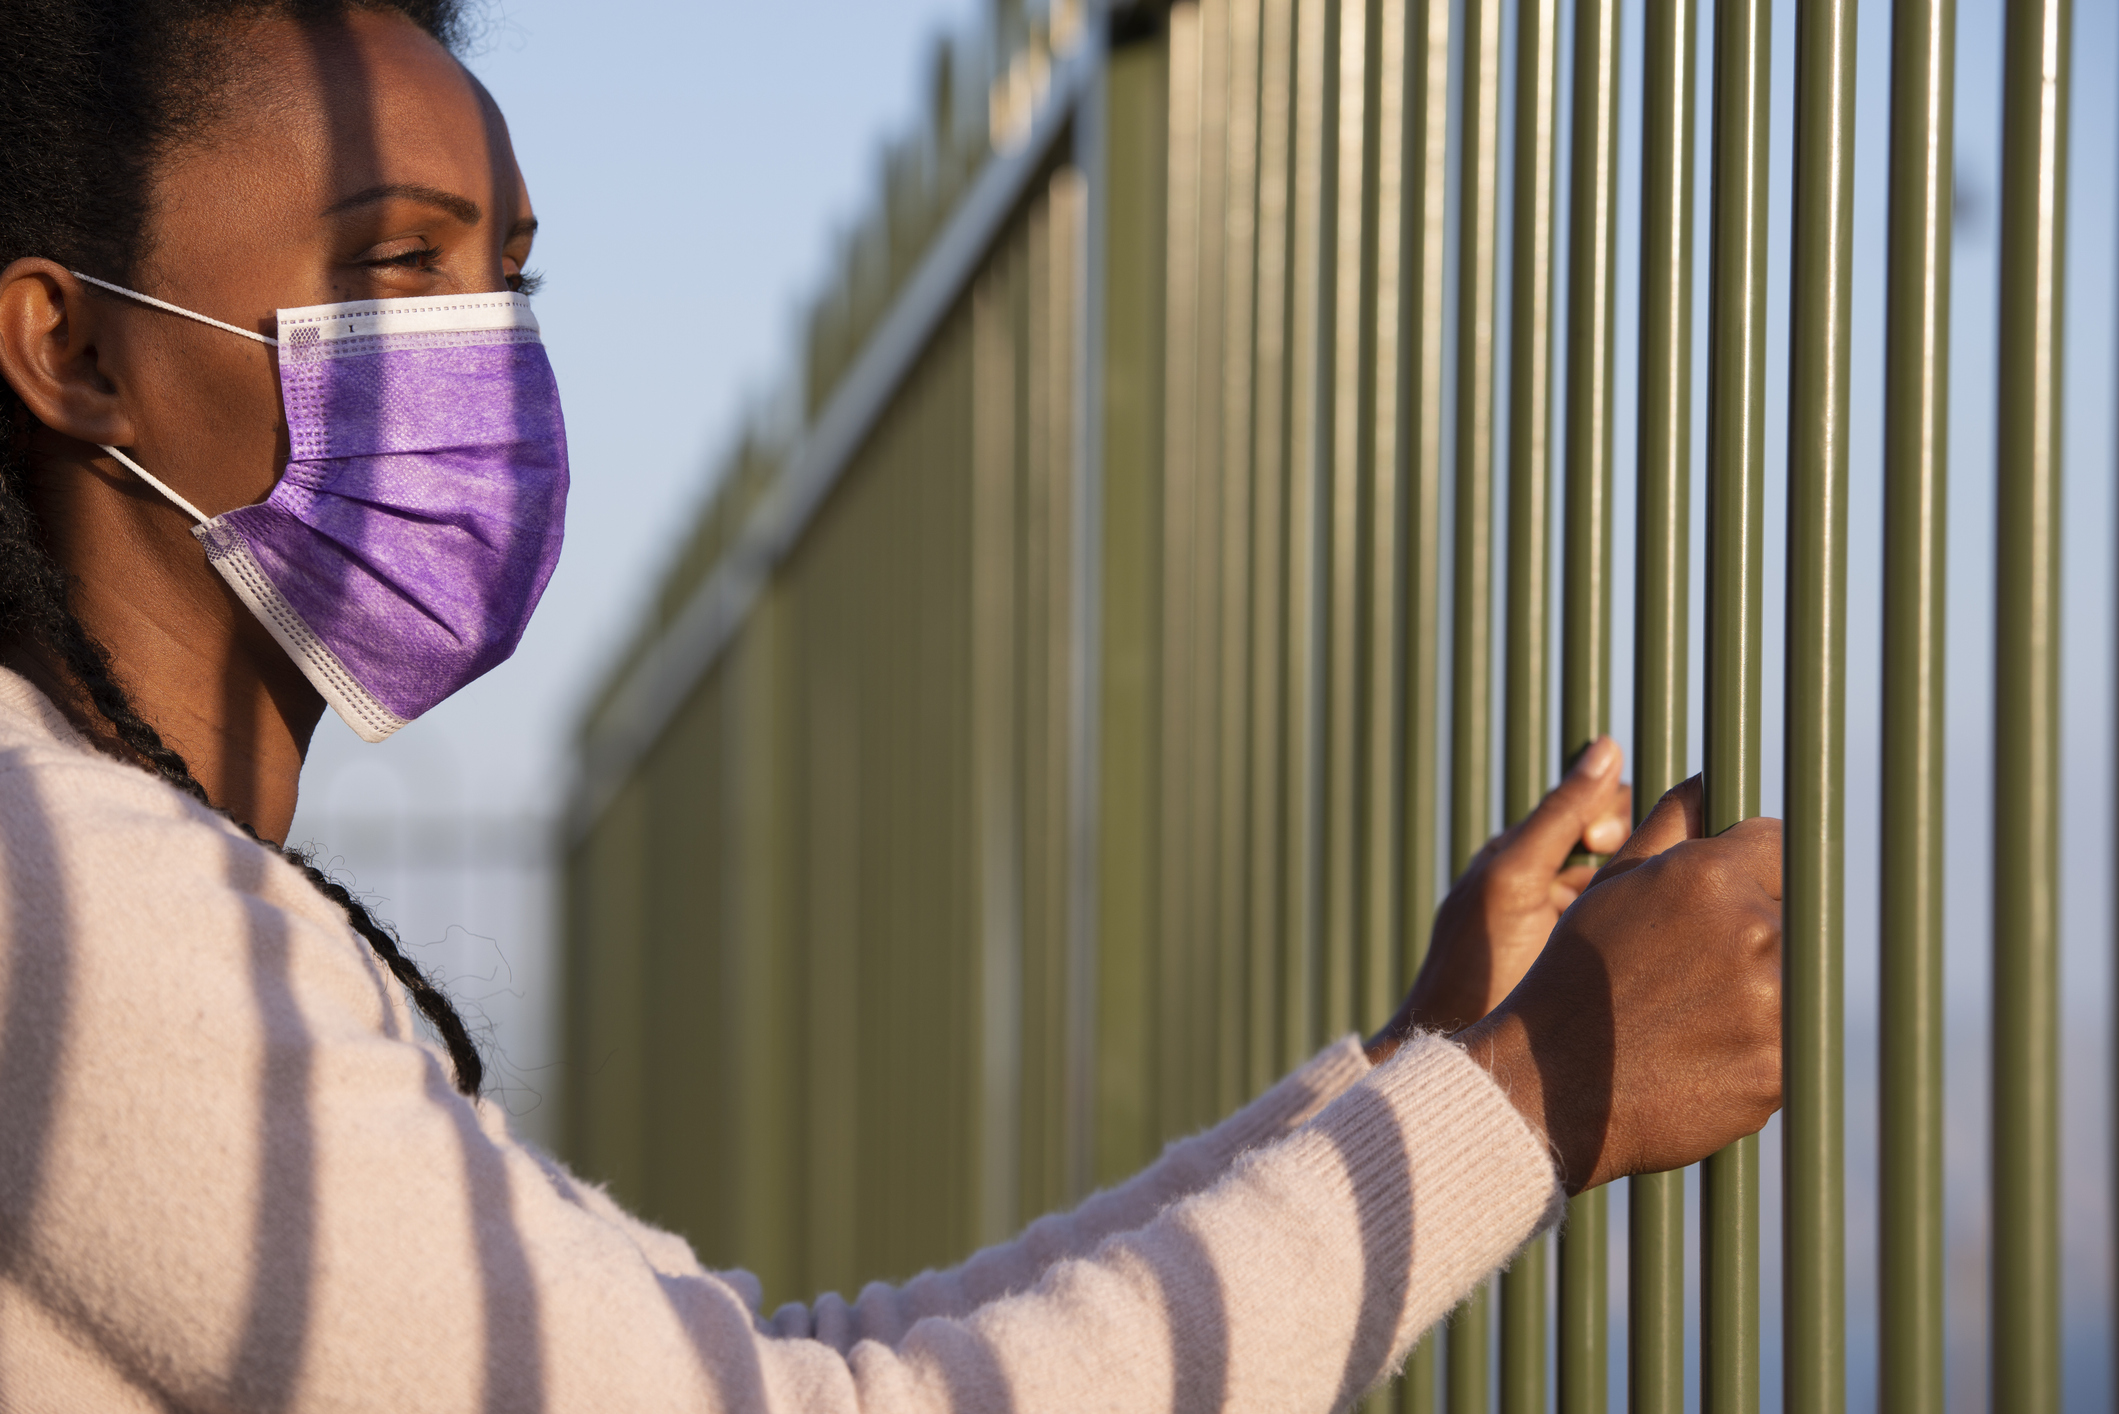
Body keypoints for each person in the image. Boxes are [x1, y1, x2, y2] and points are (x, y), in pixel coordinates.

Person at [0, 2, 1783, 1410]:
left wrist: (1427, 1071)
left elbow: (793, 1365)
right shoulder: (81, 911)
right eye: (400, 264)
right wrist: (1537, 1096)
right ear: (73, 347)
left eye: (508, 276)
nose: (491, 356)